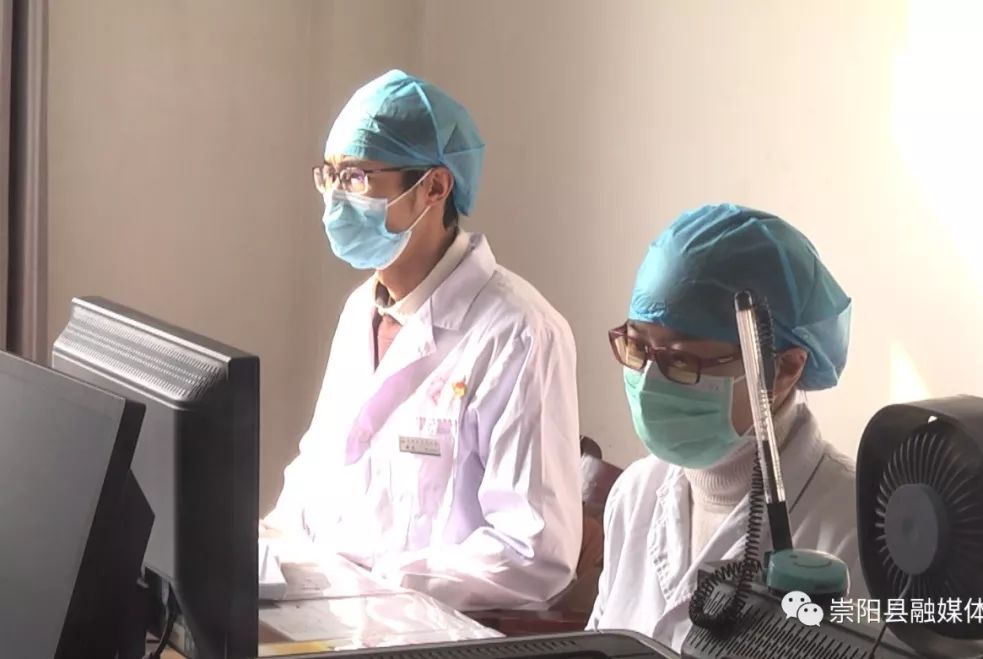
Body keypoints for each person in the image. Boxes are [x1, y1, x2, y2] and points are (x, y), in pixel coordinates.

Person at [264, 69, 582, 612]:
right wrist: (263, 554)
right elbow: (317, 472)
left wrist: (376, 587)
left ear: (434, 187)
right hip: (325, 613)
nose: (335, 199)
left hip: (424, 629)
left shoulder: (519, 333)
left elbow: (532, 553)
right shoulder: (362, 310)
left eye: (357, 178)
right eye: (330, 175)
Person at [586, 204, 864, 650]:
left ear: (784, 369)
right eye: (637, 347)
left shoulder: (856, 534)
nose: (649, 383)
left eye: (682, 360)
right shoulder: (634, 494)